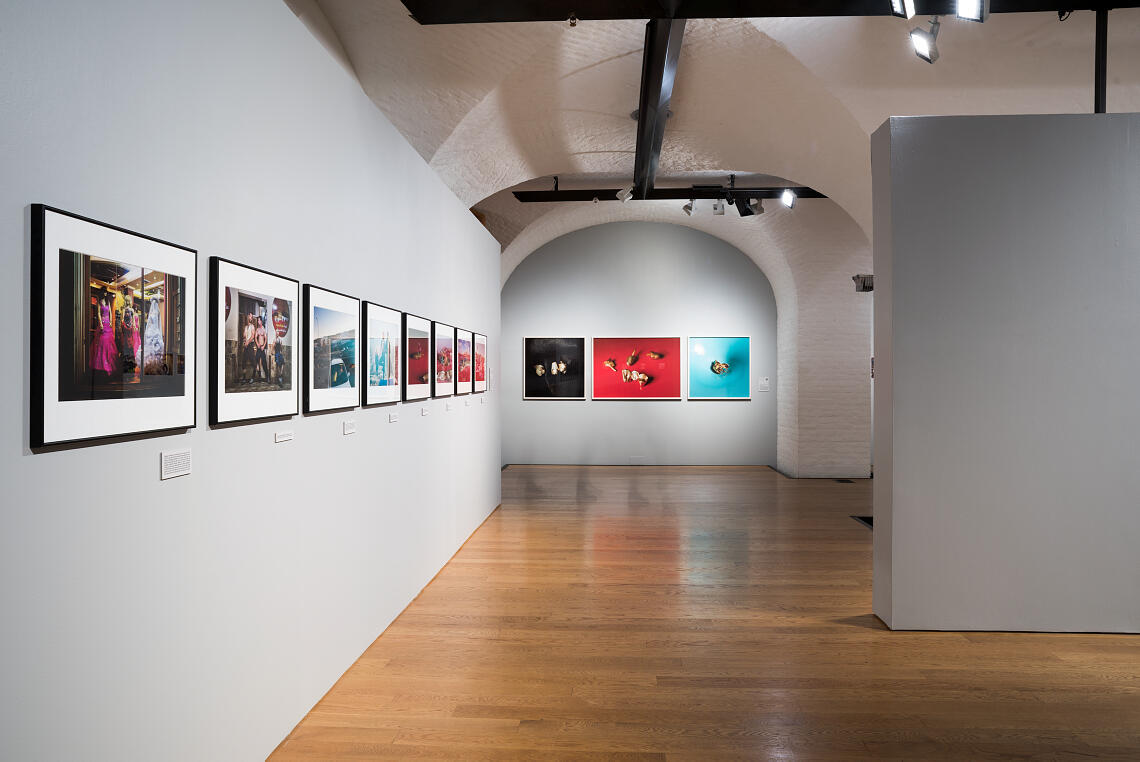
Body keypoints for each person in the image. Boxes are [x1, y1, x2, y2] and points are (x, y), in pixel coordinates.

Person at [89, 291, 118, 378]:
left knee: (108, 343)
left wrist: (111, 321)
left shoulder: (108, 302)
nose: (105, 294)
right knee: (101, 342)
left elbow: (110, 312)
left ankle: (108, 363)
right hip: (102, 325)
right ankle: (101, 364)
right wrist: (101, 323)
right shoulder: (100, 302)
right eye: (104, 292)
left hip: (108, 324)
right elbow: (98, 313)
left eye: (106, 292)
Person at [241, 313, 256, 383]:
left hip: (250, 345)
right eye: (250, 316)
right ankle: (244, 378)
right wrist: (244, 341)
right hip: (246, 345)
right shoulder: (246, 327)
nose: (251, 317)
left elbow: (253, 336)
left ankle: (253, 377)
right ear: (248, 317)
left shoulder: (252, 326)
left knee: (253, 361)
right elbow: (244, 336)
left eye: (252, 317)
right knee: (243, 361)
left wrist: (248, 342)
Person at [254, 316, 269, 383]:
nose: (258, 321)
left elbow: (266, 339)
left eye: (259, 320)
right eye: (257, 320)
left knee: (264, 363)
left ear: (261, 321)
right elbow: (255, 337)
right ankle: (254, 377)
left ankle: (267, 377)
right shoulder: (257, 329)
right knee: (255, 362)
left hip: (262, 348)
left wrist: (263, 346)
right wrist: (257, 344)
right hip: (258, 347)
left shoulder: (263, 329)